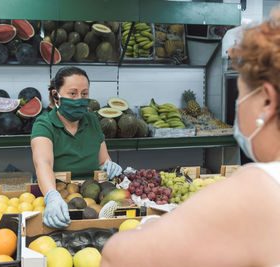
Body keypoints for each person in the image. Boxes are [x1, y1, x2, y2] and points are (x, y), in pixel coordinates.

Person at [101, 6, 280, 267]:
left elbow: (117, 257)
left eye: (241, 95)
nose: (238, 107)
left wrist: (151, 226)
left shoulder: (258, 189)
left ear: (266, 101)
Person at [31, 67, 122, 228]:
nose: (79, 99)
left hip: (95, 197)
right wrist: (52, 196)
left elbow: (103, 160)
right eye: (72, 94)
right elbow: (43, 163)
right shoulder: (44, 124)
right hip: (60, 198)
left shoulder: (92, 120)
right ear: (56, 96)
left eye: (84, 94)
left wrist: (109, 166)